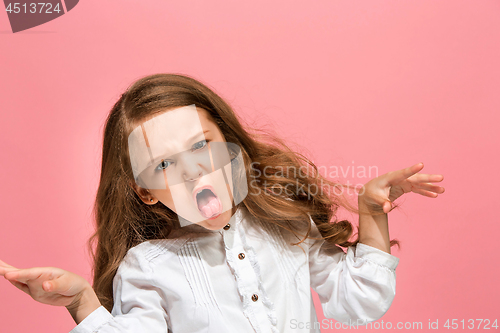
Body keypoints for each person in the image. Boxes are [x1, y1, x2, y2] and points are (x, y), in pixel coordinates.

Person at [0, 73, 445, 332]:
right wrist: (80, 301)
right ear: (146, 191)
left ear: (230, 145)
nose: (193, 171)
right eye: (164, 164)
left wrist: (371, 214)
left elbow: (359, 303)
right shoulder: (148, 265)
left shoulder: (286, 226)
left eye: (202, 146)